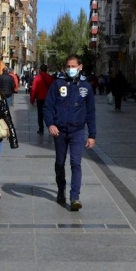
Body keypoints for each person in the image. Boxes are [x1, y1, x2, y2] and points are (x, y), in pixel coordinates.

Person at [44, 54, 96, 212]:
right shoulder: (58, 83)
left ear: (80, 67)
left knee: (76, 163)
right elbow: (48, 106)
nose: (71, 69)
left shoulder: (86, 87)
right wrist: (50, 124)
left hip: (77, 131)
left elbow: (91, 112)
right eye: (68, 66)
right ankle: (61, 189)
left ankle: (75, 197)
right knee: (60, 162)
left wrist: (92, 135)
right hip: (60, 131)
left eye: (73, 66)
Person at [30, 64, 55, 135]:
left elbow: (34, 89)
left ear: (40, 69)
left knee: (40, 115)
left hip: (40, 99)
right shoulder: (50, 78)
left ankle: (41, 129)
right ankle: (51, 128)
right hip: (49, 99)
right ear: (46, 70)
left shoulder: (37, 78)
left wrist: (32, 99)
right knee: (50, 113)